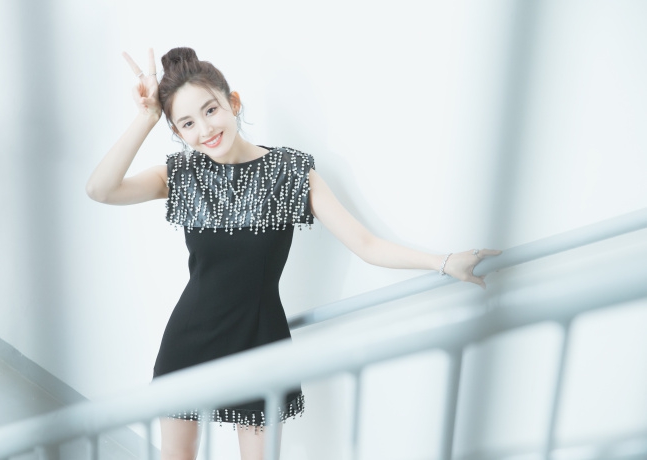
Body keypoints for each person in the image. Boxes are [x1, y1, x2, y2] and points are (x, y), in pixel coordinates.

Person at [86, 47, 500, 460]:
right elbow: (100, 189)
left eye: (210, 110)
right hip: (189, 341)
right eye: (188, 123)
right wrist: (146, 118)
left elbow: (366, 244)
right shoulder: (181, 175)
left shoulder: (291, 172)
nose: (205, 129)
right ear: (178, 132)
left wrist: (444, 262)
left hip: (260, 345)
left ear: (233, 103)